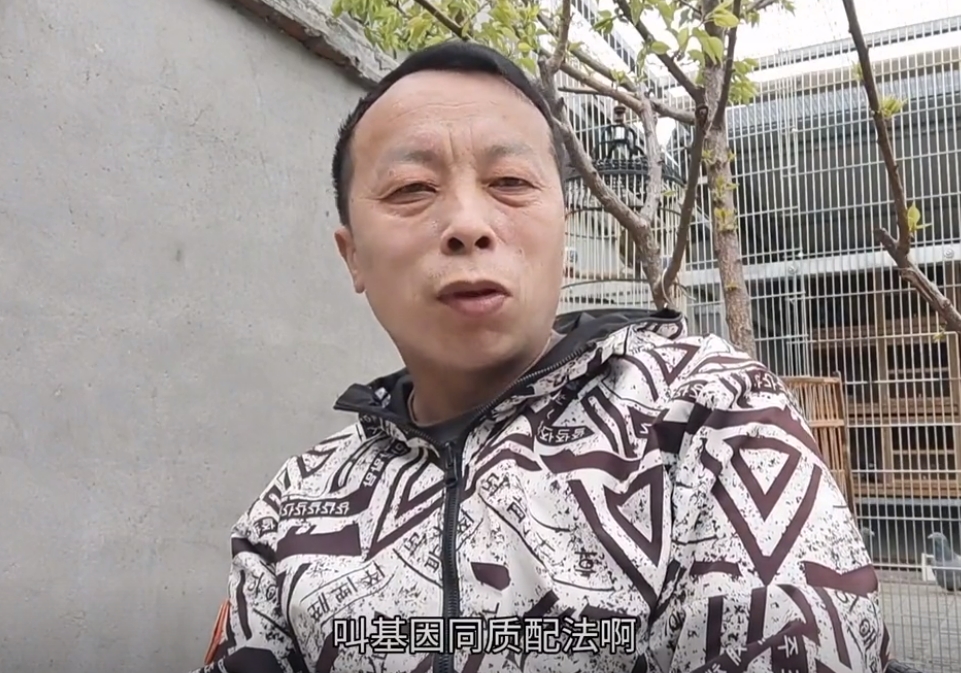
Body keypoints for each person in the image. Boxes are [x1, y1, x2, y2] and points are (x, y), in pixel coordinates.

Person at [194, 40, 889, 673]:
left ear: (563, 229)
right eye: (411, 189)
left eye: (510, 182)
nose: (467, 225)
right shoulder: (293, 508)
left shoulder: (708, 419)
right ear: (353, 257)